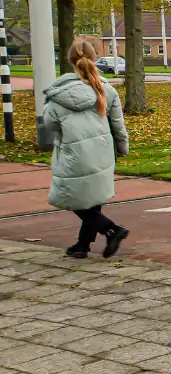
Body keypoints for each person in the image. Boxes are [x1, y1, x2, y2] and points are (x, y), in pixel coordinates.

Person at [44, 40, 131, 259]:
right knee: (92, 199)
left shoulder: (58, 94)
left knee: (71, 197)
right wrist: (122, 148)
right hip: (102, 151)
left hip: (74, 153)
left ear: (70, 60)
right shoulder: (106, 89)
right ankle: (83, 245)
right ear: (95, 57)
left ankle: (111, 229)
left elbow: (50, 124)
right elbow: (118, 124)